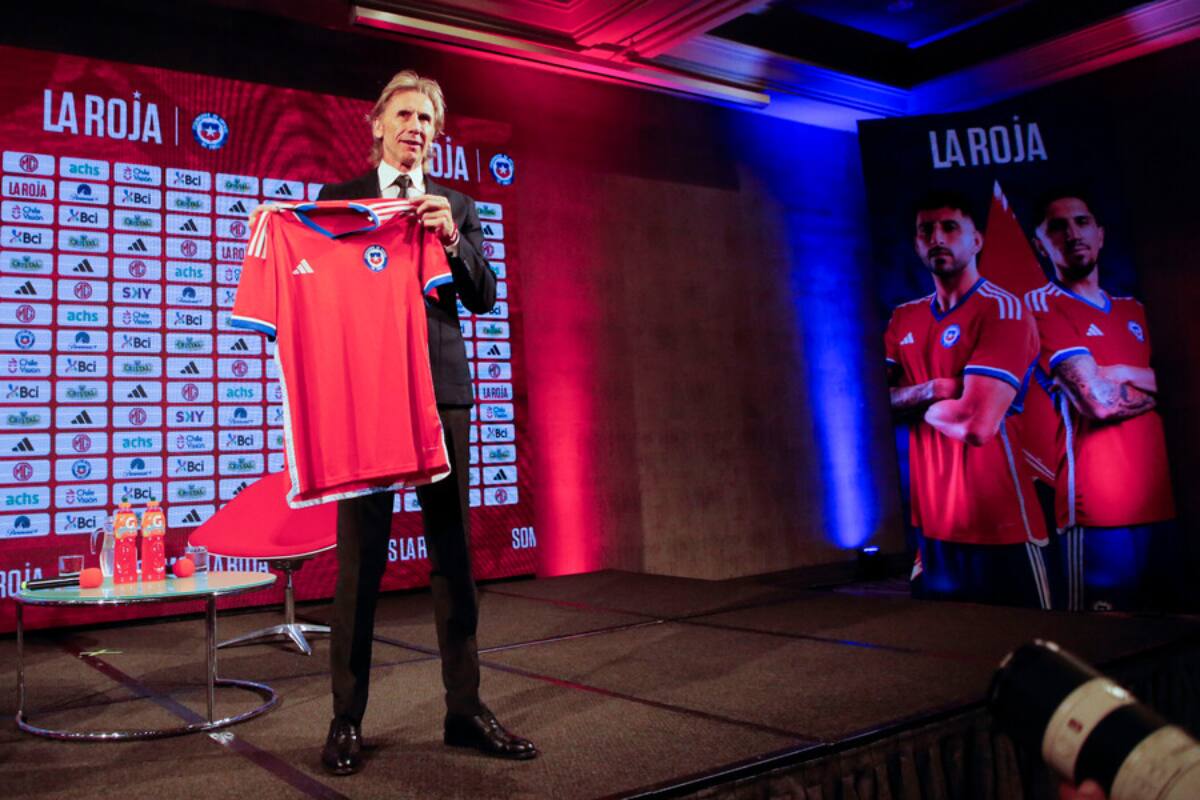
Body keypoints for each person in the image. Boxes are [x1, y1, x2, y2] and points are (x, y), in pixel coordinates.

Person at [306, 70, 536, 774]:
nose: (415, 128)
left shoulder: (457, 203)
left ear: (436, 136)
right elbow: (316, 294)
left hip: (442, 394)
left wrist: (453, 239)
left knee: (453, 556)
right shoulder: (338, 199)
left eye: (427, 120)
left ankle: (464, 709)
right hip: (367, 398)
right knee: (361, 559)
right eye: (404, 115)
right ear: (376, 123)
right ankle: (346, 719)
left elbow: (484, 295)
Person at [885, 190, 1050, 608]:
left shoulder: (1003, 311)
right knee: (944, 655)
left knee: (1027, 648)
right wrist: (935, 389)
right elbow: (875, 407)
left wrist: (913, 402)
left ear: (977, 240)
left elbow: (975, 424)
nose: (937, 237)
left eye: (950, 227)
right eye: (927, 230)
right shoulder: (905, 317)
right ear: (917, 243)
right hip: (934, 525)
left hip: (1001, 526)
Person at [1024, 190, 1177, 612]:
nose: (1073, 233)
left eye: (1082, 221)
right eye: (1057, 226)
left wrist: (1125, 373)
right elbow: (1099, 403)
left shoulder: (1138, 310)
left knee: (1169, 632)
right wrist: (1163, 387)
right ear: (1040, 243)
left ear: (1101, 234)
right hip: (1096, 507)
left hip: (1164, 501)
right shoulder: (1041, 307)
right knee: (1103, 642)